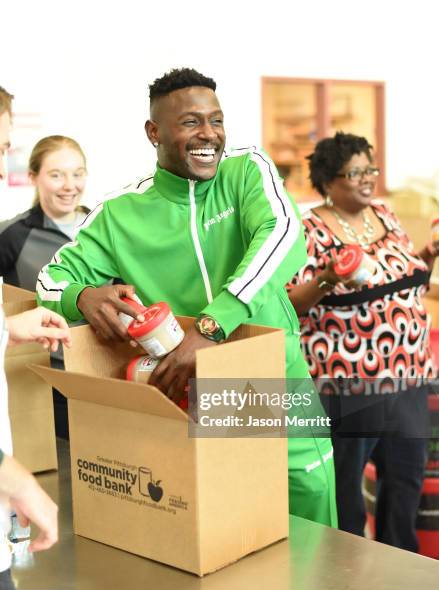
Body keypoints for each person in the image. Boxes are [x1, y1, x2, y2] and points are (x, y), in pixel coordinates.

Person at [36, 68, 337, 527]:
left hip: (274, 378)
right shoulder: (120, 214)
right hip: (188, 391)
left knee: (310, 495)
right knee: (225, 520)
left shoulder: (246, 170)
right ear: (153, 132)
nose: (209, 135)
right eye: (191, 122)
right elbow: (50, 280)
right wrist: (82, 297)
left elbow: (282, 235)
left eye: (216, 121)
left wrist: (211, 327)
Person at [287, 131, 436, 551]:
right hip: (349, 384)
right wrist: (329, 276)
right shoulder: (309, 228)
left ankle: (401, 574)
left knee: (405, 484)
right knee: (346, 492)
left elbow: (408, 280)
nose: (368, 178)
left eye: (370, 167)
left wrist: (430, 252)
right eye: (355, 172)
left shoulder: (386, 215)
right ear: (329, 181)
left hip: (409, 375)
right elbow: (291, 303)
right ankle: (346, 579)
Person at [0, 85, 72, 590]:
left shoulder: (96, 225)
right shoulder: (11, 236)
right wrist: (15, 478)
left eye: (5, 149)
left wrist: (9, 329)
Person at [0, 135, 89, 291]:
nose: (69, 185)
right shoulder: (12, 234)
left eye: (77, 174)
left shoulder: (103, 225)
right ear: (33, 178)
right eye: (56, 175)